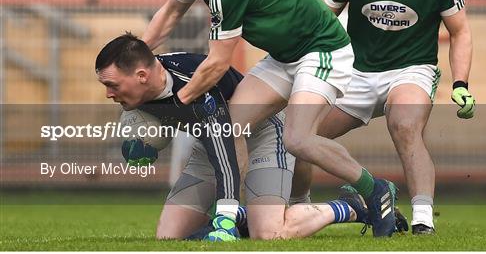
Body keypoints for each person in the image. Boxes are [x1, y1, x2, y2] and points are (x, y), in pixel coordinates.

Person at [143, 0, 397, 237]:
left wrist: (175, 103)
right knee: (229, 126)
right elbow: (169, 14)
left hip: (323, 51)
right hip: (284, 57)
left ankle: (376, 190)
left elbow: (217, 64)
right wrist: (135, 55)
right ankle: (231, 214)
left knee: (298, 138)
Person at [291, 0, 476, 235]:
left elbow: (460, 32)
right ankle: (298, 209)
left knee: (404, 125)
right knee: (299, 135)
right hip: (355, 74)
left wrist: (460, 84)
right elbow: (319, 22)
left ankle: (423, 221)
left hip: (411, 69)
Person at [95, 33, 384, 241]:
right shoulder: (140, 88)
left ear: (142, 75)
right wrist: (136, 144)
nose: (108, 93)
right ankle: (247, 215)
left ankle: (348, 208)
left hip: (261, 136)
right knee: (169, 237)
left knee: (270, 234)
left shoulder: (199, 87)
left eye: (111, 85)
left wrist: (225, 216)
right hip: (209, 146)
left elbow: (228, 155)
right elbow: (163, 119)